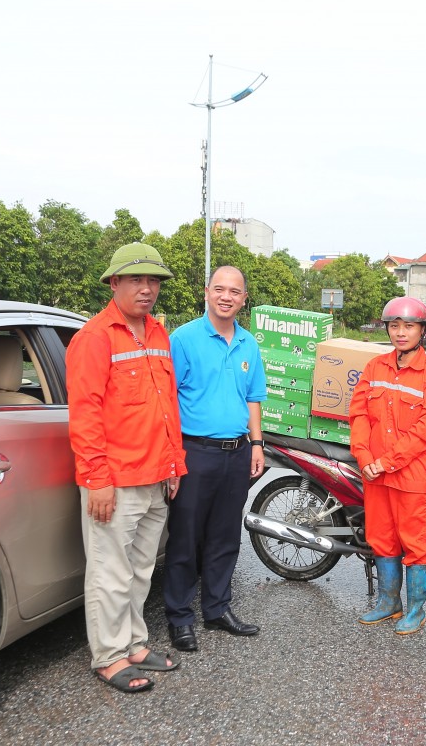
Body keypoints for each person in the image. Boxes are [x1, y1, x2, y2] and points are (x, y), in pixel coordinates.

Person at [67, 242, 186, 694]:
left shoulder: (157, 332)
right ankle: (110, 657)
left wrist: (175, 463)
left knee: (139, 571)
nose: (147, 288)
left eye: (153, 280)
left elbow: (166, 405)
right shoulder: (94, 338)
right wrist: (97, 480)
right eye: (136, 279)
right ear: (114, 283)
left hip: (157, 475)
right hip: (116, 481)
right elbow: (85, 413)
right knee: (110, 573)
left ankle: (135, 644)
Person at [164, 266, 267, 653]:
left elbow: (253, 397)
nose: (227, 296)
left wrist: (256, 445)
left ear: (243, 299)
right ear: (207, 292)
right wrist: (172, 456)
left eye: (235, 291)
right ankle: (179, 617)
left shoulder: (248, 343)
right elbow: (168, 401)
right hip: (195, 452)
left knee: (225, 536)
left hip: (236, 452)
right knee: (186, 538)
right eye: (220, 289)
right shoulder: (185, 339)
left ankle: (217, 608)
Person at [349, 297, 426, 635]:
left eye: (408, 326)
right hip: (375, 474)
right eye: (394, 326)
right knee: (381, 538)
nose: (400, 332)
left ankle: (416, 611)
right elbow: (359, 414)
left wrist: (386, 462)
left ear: (422, 331)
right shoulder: (374, 368)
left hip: (413, 476)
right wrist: (365, 458)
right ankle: (388, 602)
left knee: (417, 541)